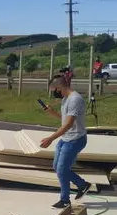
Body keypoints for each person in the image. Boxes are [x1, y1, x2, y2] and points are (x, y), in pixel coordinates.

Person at [39, 76, 92, 208]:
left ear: (59, 87)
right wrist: (52, 112)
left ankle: (65, 200)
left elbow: (68, 125)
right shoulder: (65, 99)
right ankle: (82, 185)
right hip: (66, 138)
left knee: (62, 170)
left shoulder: (75, 99)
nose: (53, 93)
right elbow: (64, 119)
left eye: (54, 90)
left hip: (75, 139)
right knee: (57, 167)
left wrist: (50, 138)